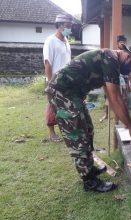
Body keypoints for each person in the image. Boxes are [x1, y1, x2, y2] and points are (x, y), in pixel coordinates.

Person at [45, 43, 131, 192]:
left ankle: (89, 168)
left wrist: (127, 122)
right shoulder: (110, 59)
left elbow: (111, 93)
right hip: (62, 91)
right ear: (129, 56)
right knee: (78, 135)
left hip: (74, 94)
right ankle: (89, 181)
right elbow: (116, 99)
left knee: (88, 130)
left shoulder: (111, 61)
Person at [43, 14, 73, 142]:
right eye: (68, 26)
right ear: (60, 26)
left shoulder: (66, 41)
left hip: (66, 81)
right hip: (54, 80)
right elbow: (47, 63)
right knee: (52, 106)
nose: (70, 29)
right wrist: (50, 84)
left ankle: (66, 130)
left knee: (66, 106)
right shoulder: (50, 41)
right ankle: (51, 133)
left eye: (70, 26)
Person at [100, 34, 131, 122]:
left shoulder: (128, 54)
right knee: (110, 98)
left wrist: (130, 81)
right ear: (117, 43)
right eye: (120, 42)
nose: (122, 44)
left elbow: (130, 70)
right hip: (114, 79)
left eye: (124, 43)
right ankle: (106, 115)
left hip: (124, 79)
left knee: (123, 98)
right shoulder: (113, 53)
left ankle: (118, 118)